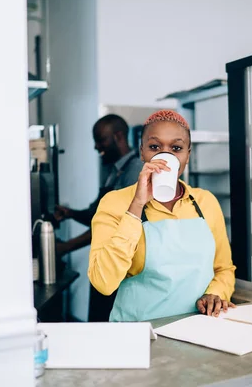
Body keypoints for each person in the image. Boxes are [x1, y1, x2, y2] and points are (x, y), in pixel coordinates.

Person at [88, 109, 236, 322]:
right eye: (154, 147)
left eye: (176, 148)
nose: (165, 157)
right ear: (142, 153)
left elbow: (223, 269)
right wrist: (137, 206)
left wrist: (216, 294)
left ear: (187, 156)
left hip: (197, 329)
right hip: (139, 336)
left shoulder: (205, 202)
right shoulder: (115, 203)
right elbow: (103, 282)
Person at [54, 114, 142, 322]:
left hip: (121, 269)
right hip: (103, 264)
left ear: (118, 136)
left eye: (101, 139)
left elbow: (117, 224)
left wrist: (66, 247)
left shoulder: (134, 171)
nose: (96, 146)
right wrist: (71, 214)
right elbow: (98, 217)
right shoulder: (113, 172)